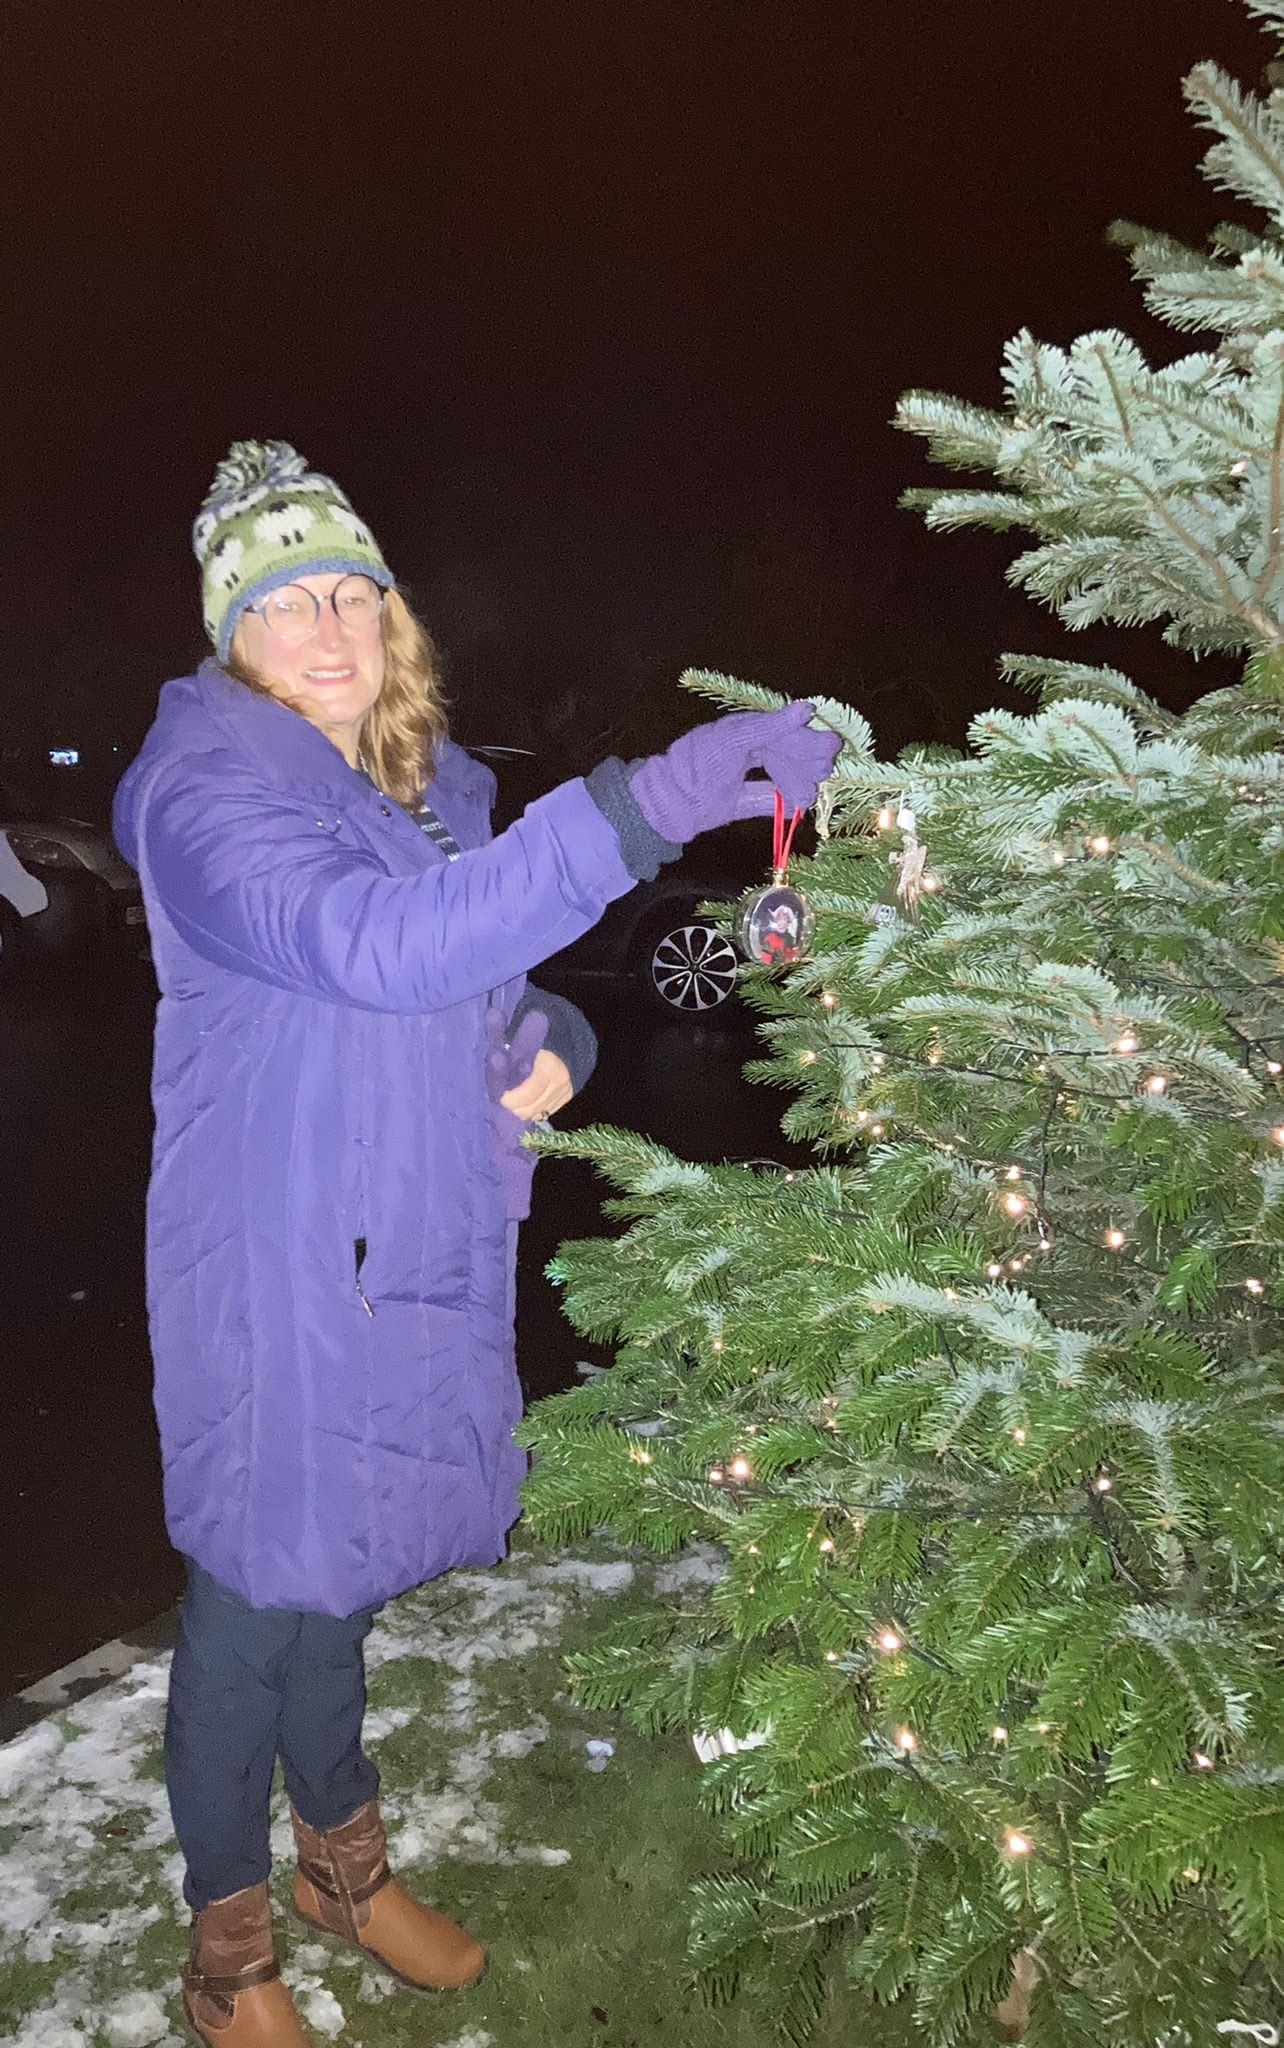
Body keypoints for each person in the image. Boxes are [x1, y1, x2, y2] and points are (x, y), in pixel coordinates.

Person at [113, 439, 840, 2045]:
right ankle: (228, 1952)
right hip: (276, 1270)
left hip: (401, 1258)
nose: (326, 629)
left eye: (351, 595)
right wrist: (649, 803)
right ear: (231, 635)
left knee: (343, 1584)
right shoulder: (201, 793)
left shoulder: (436, 799)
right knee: (250, 1609)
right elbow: (371, 949)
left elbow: (484, 984)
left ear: (395, 621)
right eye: (282, 601)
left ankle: (346, 1870)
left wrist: (556, 1051)